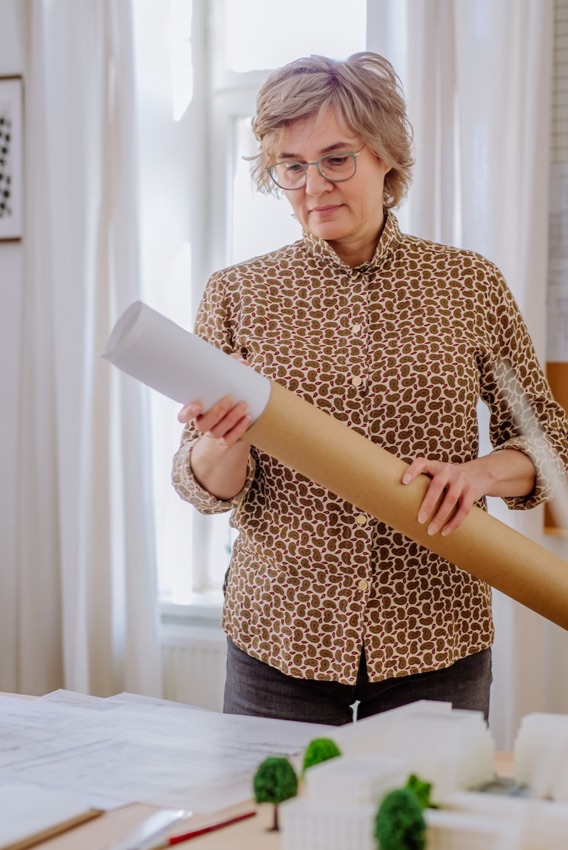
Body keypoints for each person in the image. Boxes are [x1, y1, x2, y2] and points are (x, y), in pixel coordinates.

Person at [171, 52, 568, 726]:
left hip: (436, 634)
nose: (313, 185)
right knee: (271, 830)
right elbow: (202, 485)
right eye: (291, 166)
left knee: (424, 833)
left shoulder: (469, 284)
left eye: (336, 158)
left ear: (386, 157)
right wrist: (220, 442)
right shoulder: (238, 294)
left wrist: (480, 475)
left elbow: (548, 441)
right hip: (281, 636)